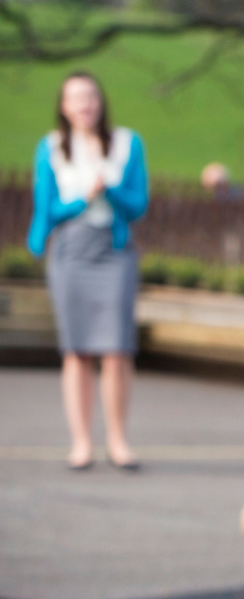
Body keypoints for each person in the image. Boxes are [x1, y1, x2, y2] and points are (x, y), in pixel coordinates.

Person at [28, 71, 149, 472]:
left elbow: (137, 205)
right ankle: (81, 442)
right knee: (77, 350)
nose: (85, 104)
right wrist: (83, 199)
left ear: (101, 101)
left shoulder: (128, 144)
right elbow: (46, 211)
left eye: (91, 96)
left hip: (113, 252)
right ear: (64, 106)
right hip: (71, 253)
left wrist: (108, 191)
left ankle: (118, 440)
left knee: (117, 350)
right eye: (75, 97)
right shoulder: (51, 149)